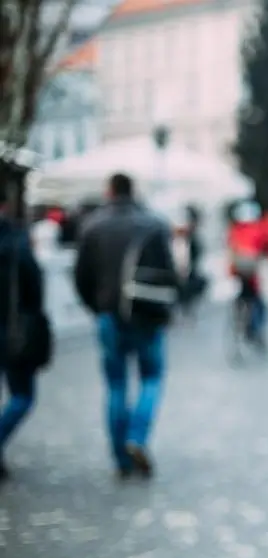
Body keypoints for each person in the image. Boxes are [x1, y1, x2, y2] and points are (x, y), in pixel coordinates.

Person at [75, 173, 176, 479]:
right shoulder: (154, 223)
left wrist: (98, 307)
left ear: (109, 191)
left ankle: (121, 458)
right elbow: (170, 272)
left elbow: (81, 277)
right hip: (147, 313)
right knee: (151, 378)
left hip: (109, 315)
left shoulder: (93, 226)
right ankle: (137, 436)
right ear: (133, 191)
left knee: (116, 385)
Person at [0, 183, 51, 482]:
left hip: (11, 327)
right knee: (22, 395)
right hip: (14, 329)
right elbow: (35, 286)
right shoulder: (16, 239)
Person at [227, 200, 268, 350]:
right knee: (257, 301)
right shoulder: (259, 229)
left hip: (239, 270)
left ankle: (240, 319)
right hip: (252, 271)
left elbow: (231, 249)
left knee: (244, 294)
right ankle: (254, 329)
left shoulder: (235, 229)